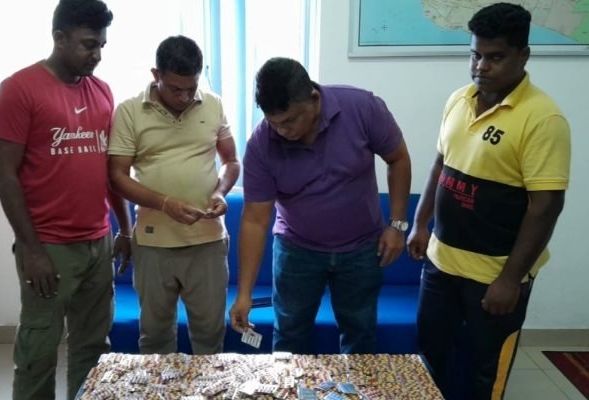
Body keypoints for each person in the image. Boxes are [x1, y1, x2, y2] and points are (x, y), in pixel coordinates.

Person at [406, 3, 571, 399]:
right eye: (475, 54)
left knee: (485, 372)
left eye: (495, 57)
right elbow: (440, 165)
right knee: (428, 357)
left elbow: (546, 207)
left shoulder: (543, 119)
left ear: (523, 56)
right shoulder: (458, 100)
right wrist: (420, 223)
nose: (481, 66)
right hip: (441, 264)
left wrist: (510, 280)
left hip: (493, 276)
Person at [0, 1, 132, 399]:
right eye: (89, 44)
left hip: (97, 244)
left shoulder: (102, 92)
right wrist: (32, 250)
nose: (97, 54)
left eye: (102, 45)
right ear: (59, 38)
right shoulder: (19, 89)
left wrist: (125, 229)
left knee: (93, 348)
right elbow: (4, 174)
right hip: (48, 248)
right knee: (38, 352)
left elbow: (111, 172)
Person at [229, 57, 412, 354]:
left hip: (361, 248)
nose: (281, 131)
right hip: (296, 250)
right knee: (289, 335)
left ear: (314, 99)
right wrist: (244, 294)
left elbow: (398, 159)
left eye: (290, 120)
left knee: (359, 334)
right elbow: (254, 220)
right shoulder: (262, 143)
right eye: (273, 122)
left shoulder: (362, 107)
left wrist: (397, 224)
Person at [108, 35, 240, 355]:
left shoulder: (214, 104)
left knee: (209, 337)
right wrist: (164, 204)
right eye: (175, 88)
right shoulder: (129, 111)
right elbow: (117, 176)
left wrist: (221, 192)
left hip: (207, 241)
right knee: (155, 339)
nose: (184, 97)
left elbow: (231, 161)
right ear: (156, 75)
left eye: (191, 88)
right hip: (154, 244)